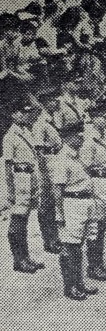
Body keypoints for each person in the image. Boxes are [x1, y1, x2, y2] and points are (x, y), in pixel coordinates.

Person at [52, 118, 100, 300]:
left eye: (82, 134)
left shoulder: (77, 156)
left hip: (85, 204)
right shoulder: (62, 159)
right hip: (71, 204)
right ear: (67, 137)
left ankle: (79, 283)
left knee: (78, 247)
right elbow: (57, 189)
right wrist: (59, 214)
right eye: (77, 135)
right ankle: (69, 287)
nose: (81, 138)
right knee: (69, 247)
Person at [3, 89, 46, 273]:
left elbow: (38, 108)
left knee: (26, 219)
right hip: (19, 179)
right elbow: (7, 166)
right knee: (18, 221)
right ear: (13, 115)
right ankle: (18, 259)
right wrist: (11, 191)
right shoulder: (9, 137)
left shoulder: (26, 132)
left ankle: (26, 257)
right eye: (21, 112)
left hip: (30, 177)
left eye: (26, 112)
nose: (25, 115)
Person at [78, 96, 106, 282]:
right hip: (96, 185)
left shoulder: (102, 137)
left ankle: (99, 264)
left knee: (102, 226)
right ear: (94, 118)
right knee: (95, 228)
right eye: (103, 117)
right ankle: (93, 267)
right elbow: (84, 168)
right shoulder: (89, 141)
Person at [31, 82, 65, 254]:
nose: (57, 102)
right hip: (46, 166)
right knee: (46, 205)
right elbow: (38, 150)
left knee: (54, 203)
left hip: (56, 161)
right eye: (53, 100)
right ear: (45, 102)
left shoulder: (52, 119)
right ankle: (49, 240)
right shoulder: (40, 123)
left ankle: (55, 237)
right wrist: (43, 175)